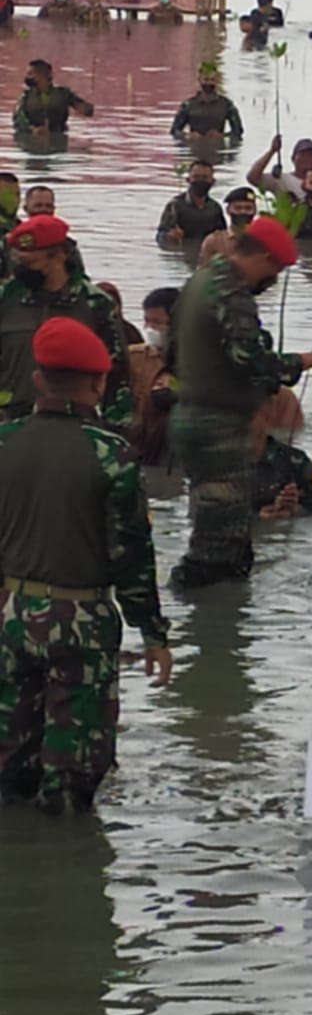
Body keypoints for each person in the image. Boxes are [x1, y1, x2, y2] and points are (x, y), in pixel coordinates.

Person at [0, 318, 171, 815]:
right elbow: (132, 555)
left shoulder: (5, 441)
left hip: (10, 613)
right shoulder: (111, 456)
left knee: (10, 761)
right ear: (98, 384)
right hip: (81, 621)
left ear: (38, 379)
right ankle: (70, 861)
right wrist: (154, 633)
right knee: (74, 774)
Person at [168, 218, 312, 588]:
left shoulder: (198, 282)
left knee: (230, 543)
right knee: (216, 551)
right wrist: (310, 359)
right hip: (218, 428)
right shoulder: (231, 292)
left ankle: (220, 629)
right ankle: (198, 627)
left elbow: (175, 355)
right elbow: (252, 361)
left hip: (192, 416)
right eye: (276, 273)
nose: (271, 284)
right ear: (267, 259)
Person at [0, 215, 130, 428]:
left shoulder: (95, 304)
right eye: (17, 262)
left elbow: (116, 373)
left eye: (29, 263)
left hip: (77, 424)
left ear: (58, 256)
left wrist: (117, 426)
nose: (20, 271)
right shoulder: (5, 300)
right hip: (9, 424)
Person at [250, 405, 312, 519]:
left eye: (250, 416)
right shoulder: (219, 461)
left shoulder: (296, 461)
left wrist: (294, 510)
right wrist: (256, 517)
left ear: (266, 415)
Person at [246, 135, 312, 207]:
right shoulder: (281, 179)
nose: (306, 158)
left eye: (310, 155)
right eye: (302, 155)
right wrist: (272, 151)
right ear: (293, 158)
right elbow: (252, 178)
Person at [12, 59, 92, 136]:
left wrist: (84, 109)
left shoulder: (63, 93)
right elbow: (18, 118)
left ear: (43, 75)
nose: (28, 77)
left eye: (31, 74)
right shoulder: (26, 95)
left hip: (58, 136)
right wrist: (32, 129)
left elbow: (85, 108)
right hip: (31, 139)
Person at [156, 161, 226, 247]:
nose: (200, 181)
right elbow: (160, 236)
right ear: (188, 180)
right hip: (182, 255)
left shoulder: (215, 208)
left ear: (213, 182)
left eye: (204, 177)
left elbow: (223, 236)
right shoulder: (175, 205)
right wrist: (170, 236)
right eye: (196, 177)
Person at [169, 66, 244, 140]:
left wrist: (221, 136)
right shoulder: (188, 105)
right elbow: (174, 131)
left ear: (217, 80)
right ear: (199, 80)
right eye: (206, 79)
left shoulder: (226, 105)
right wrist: (188, 136)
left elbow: (238, 131)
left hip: (218, 149)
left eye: (212, 80)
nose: (209, 83)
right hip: (194, 148)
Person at [199, 187, 259, 263]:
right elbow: (203, 271)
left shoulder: (262, 241)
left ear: (255, 210)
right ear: (228, 210)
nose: (243, 212)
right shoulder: (214, 241)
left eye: (248, 208)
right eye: (238, 208)